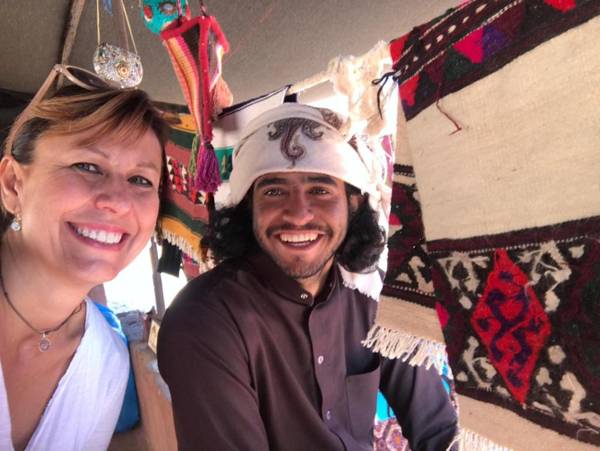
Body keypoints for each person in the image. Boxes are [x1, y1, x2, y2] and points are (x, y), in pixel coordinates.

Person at [158, 103, 458, 451]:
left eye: (320, 190)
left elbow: (438, 430)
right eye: (274, 191)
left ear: (353, 203)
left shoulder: (371, 295)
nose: (299, 214)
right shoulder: (205, 320)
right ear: (248, 206)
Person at [0, 65, 169, 451]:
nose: (118, 202)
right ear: (13, 184)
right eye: (88, 166)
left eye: (141, 180)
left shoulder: (107, 363)